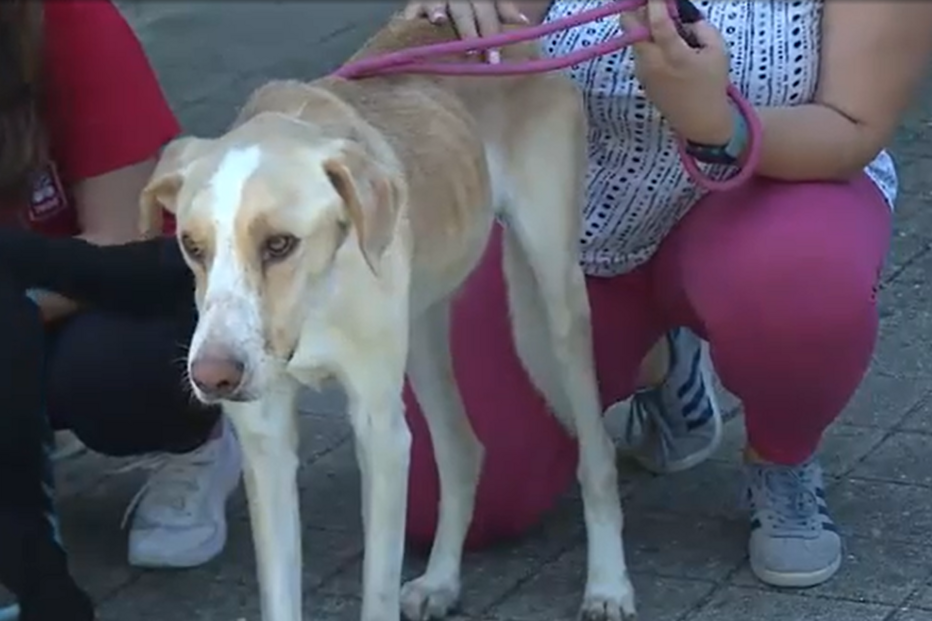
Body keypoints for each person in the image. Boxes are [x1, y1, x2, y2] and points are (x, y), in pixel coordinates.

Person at [399, 0, 932, 588]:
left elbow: (851, 124)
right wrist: (460, 19)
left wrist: (717, 125)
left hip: (769, 190)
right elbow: (498, 23)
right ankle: (661, 366)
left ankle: (782, 455)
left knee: (802, 285)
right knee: (444, 505)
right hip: (577, 213)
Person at [0, 2, 241, 619]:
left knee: (112, 373)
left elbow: (119, 242)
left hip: (119, 295)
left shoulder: (70, 20)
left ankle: (200, 444)